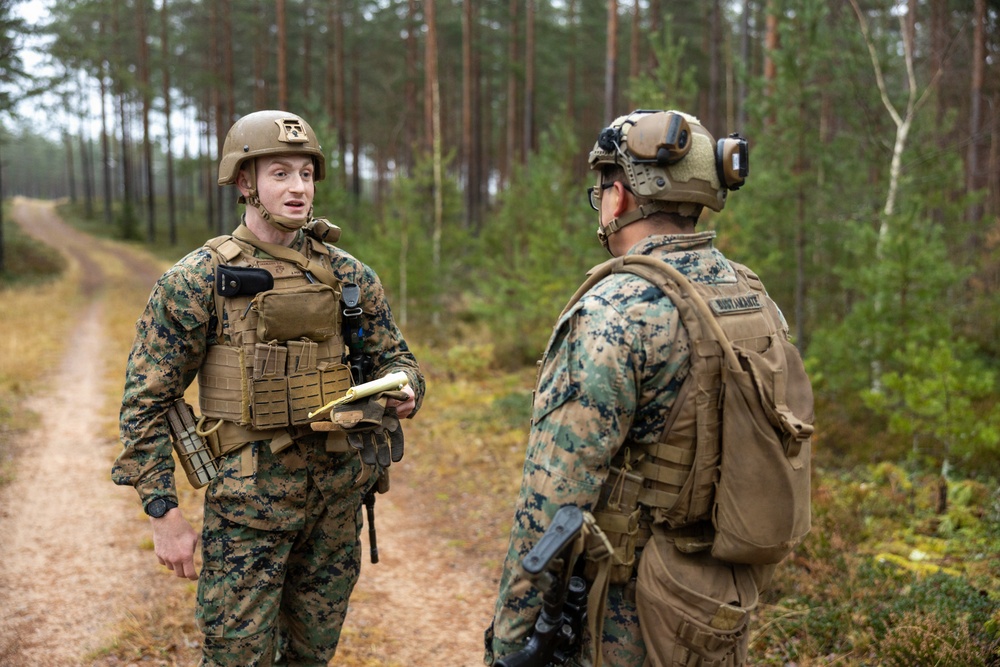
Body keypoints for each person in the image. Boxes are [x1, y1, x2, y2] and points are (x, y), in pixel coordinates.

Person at [485, 109, 811, 666]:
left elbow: (553, 496)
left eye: (601, 189)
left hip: (627, 605)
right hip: (716, 599)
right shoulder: (752, 295)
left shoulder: (613, 311)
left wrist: (511, 640)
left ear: (617, 198)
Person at [113, 109, 424, 665]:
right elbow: (147, 403)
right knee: (236, 658)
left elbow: (397, 358)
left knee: (310, 656)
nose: (298, 188)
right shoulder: (197, 280)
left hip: (334, 509)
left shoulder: (350, 275)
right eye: (280, 174)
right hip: (247, 514)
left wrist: (408, 390)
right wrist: (164, 513)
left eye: (305, 174)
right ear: (244, 181)